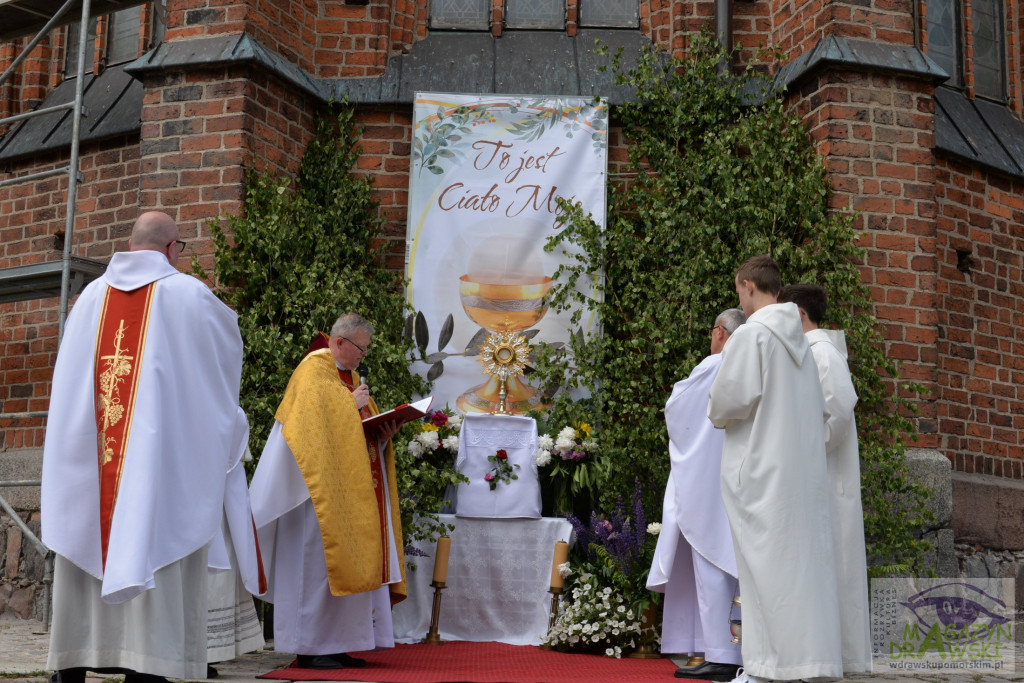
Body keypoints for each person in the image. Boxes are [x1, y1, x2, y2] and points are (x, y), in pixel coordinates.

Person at [41, 211, 264, 683]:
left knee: (87, 552)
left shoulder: (87, 301)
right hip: (156, 475)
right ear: (170, 249)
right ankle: (148, 667)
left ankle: (74, 664)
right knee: (155, 542)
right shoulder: (189, 296)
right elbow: (218, 381)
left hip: (89, 471)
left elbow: (66, 389)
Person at [707, 255, 843, 683]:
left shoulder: (753, 337)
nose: (740, 303)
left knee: (763, 575)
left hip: (762, 473)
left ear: (748, 286)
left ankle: (764, 669)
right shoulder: (804, 341)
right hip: (797, 473)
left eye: (738, 293)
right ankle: (798, 664)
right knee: (794, 575)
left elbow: (725, 405)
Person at [250, 313, 405, 670]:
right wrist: (350, 407)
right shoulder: (312, 370)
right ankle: (310, 646)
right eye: (360, 350)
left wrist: (380, 436)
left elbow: (354, 430)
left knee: (347, 565)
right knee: (318, 569)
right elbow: (307, 428)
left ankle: (339, 644)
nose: (362, 357)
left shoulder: (345, 377)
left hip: (351, 492)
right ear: (339, 342)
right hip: (314, 496)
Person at [778, 283, 871, 674]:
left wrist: (804, 451)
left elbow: (836, 411)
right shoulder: (809, 353)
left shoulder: (824, 355)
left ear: (799, 314)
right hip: (814, 477)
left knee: (836, 566)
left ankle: (839, 656)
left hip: (828, 479)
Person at [648, 308, 746, 681]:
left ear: (719, 332)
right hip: (739, 477)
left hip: (706, 479)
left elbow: (676, 409)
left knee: (710, 562)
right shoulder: (753, 364)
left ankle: (721, 653)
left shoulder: (714, 365)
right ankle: (731, 648)